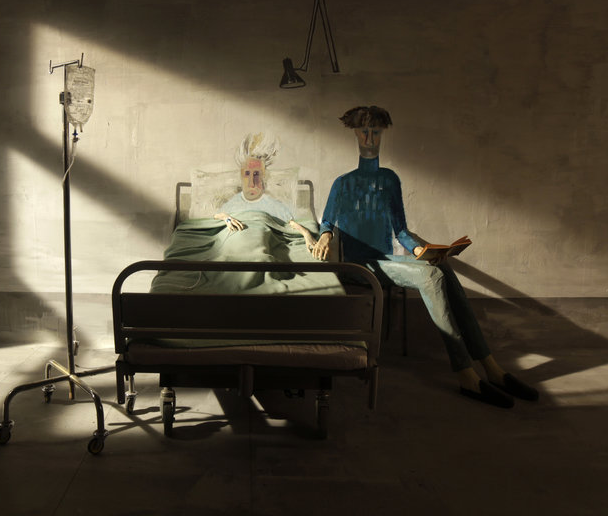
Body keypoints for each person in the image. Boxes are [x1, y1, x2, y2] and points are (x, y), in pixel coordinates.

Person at [311, 106, 538, 408]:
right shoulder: (343, 183)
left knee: (443, 269)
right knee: (431, 276)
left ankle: (492, 368)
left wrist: (421, 251)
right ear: (355, 134)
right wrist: (325, 235)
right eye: (364, 131)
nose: (370, 138)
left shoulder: (390, 180)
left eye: (376, 131)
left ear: (382, 134)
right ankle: (466, 375)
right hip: (359, 265)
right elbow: (327, 221)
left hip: (386, 260)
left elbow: (401, 230)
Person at [214, 132, 317, 247]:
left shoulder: (274, 205)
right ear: (241, 176)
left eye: (256, 174)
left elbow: (291, 224)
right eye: (247, 174)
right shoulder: (233, 203)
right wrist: (227, 218)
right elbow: (215, 217)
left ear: (264, 176)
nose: (252, 182)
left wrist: (306, 234)